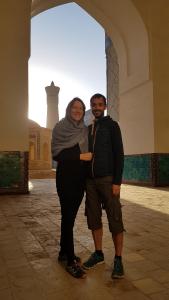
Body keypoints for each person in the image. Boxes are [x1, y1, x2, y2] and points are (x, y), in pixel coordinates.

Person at [82, 93, 125, 279]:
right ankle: (98, 253)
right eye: (94, 105)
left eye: (100, 104)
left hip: (108, 180)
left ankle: (118, 259)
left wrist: (117, 182)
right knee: (93, 218)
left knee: (115, 219)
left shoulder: (112, 126)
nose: (97, 107)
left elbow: (119, 154)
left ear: (105, 106)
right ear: (91, 107)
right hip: (90, 182)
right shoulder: (89, 128)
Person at [52, 97, 92, 279]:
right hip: (65, 179)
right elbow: (58, 154)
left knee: (69, 218)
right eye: (74, 107)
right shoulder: (60, 127)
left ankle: (63, 252)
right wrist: (80, 157)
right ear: (69, 109)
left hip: (79, 180)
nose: (77, 110)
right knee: (68, 218)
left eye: (81, 108)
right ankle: (70, 262)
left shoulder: (84, 129)